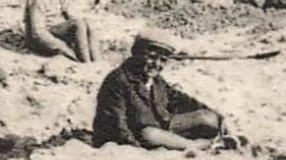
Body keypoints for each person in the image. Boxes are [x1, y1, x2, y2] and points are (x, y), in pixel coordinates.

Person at [92, 29, 239, 152]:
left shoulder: (156, 80)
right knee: (150, 134)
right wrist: (136, 148)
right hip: (137, 135)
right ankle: (197, 146)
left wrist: (216, 117)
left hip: (163, 124)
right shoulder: (119, 80)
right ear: (137, 54)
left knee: (207, 117)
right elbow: (115, 124)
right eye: (152, 57)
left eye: (163, 60)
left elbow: (180, 100)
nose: (156, 64)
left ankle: (219, 139)